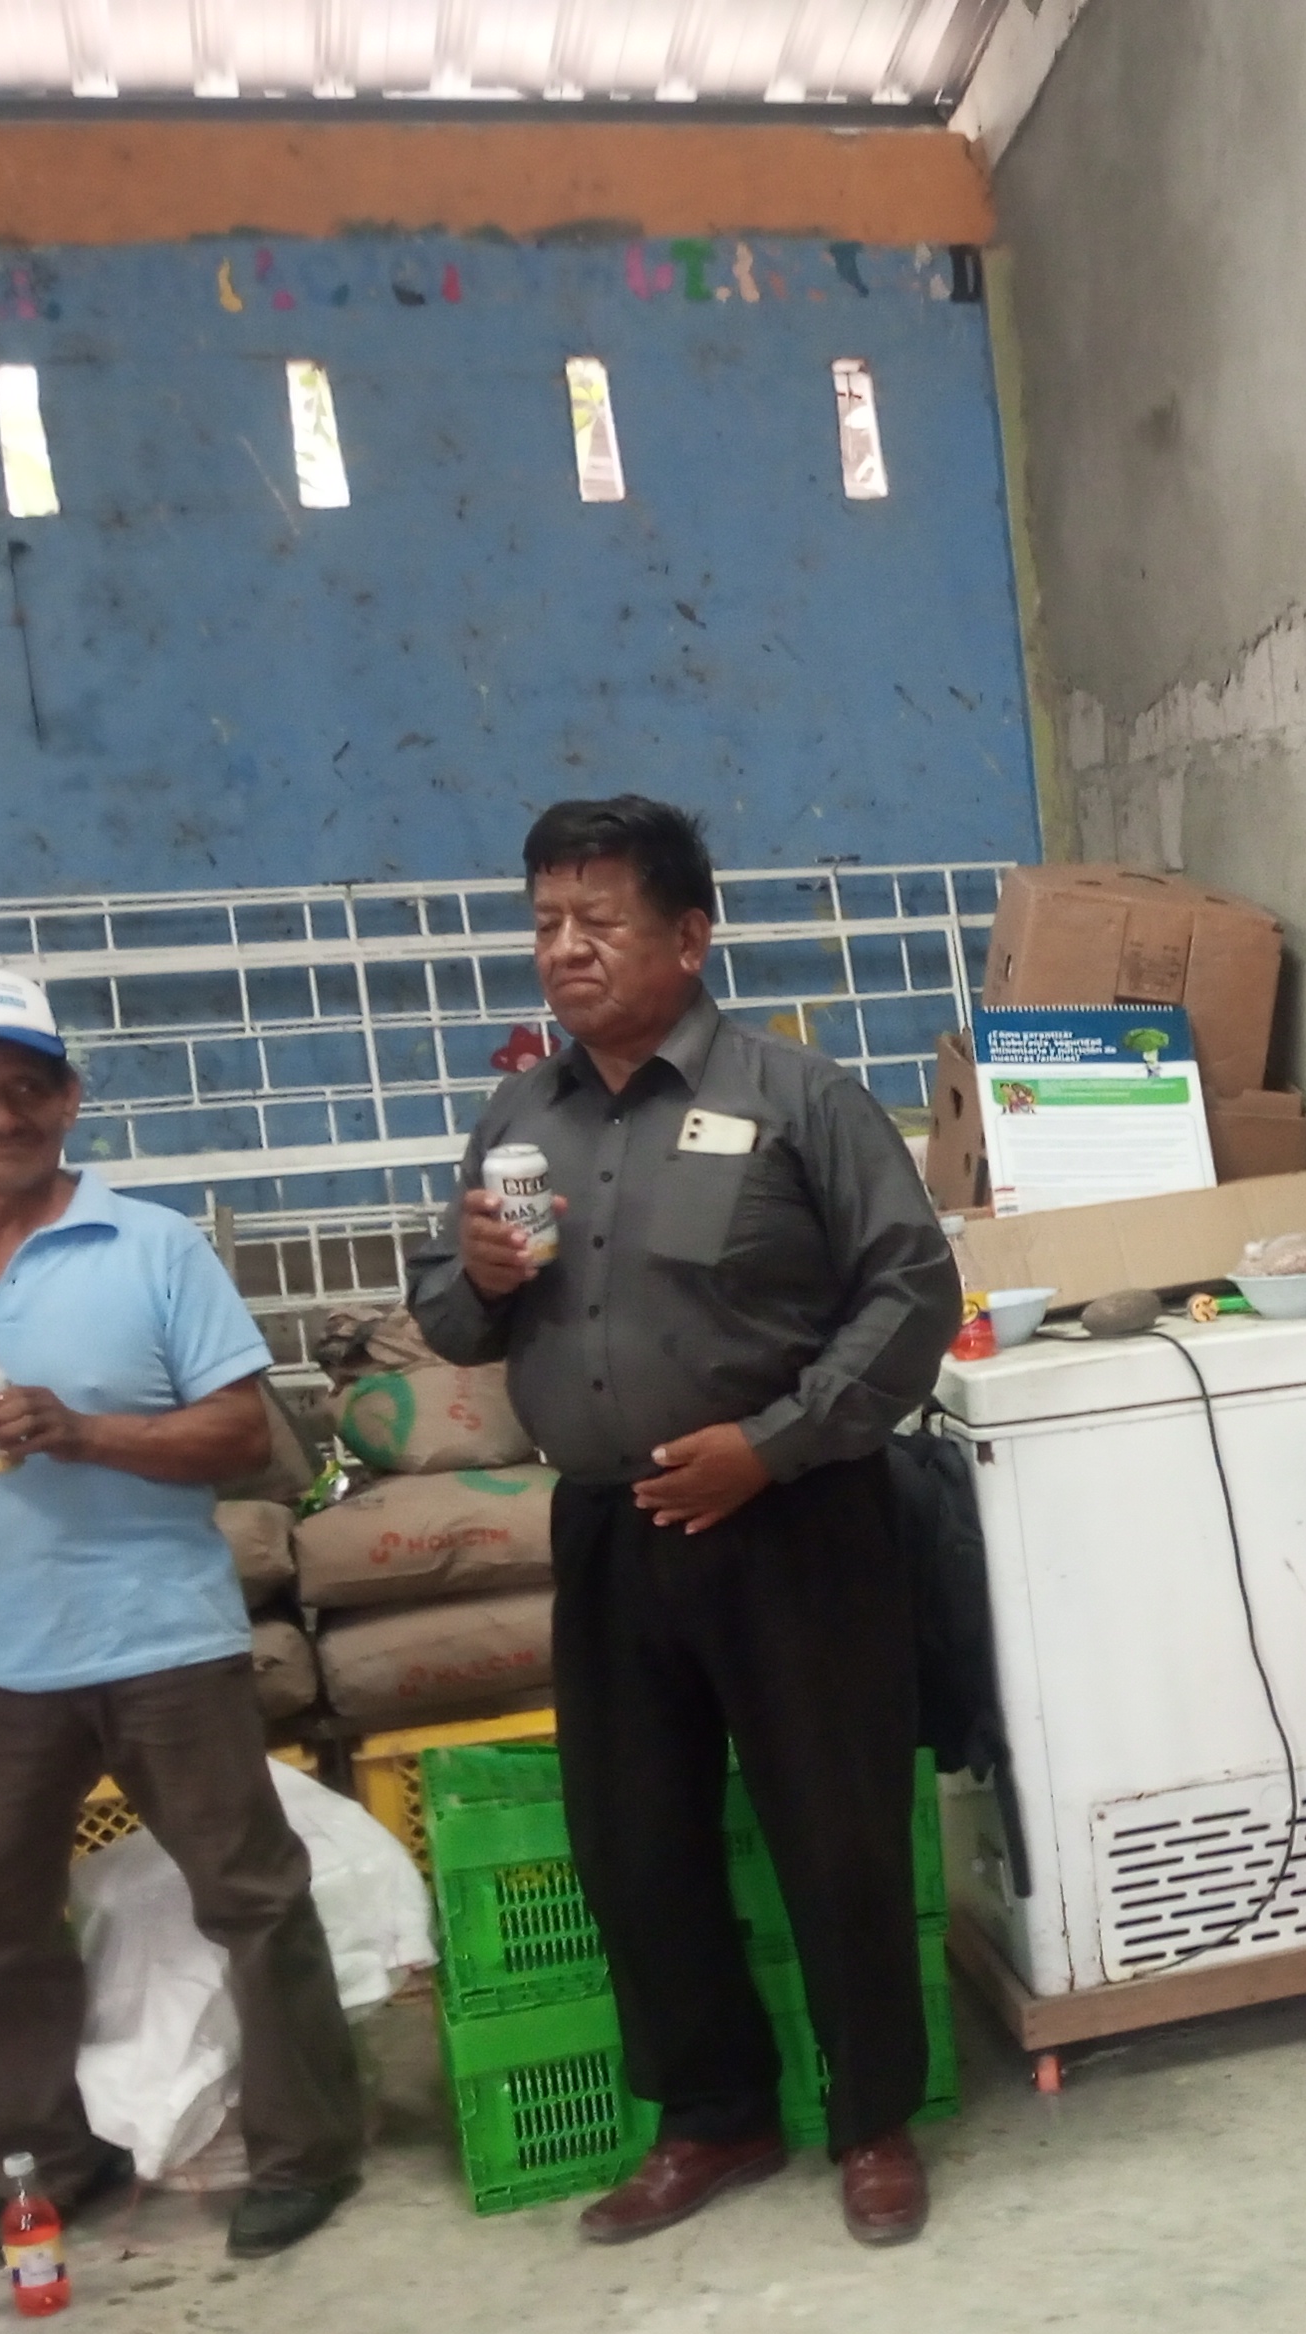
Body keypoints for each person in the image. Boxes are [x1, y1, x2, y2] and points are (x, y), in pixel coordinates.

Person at [407, 797, 960, 2251]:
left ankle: (873, 2121)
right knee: (634, 1841)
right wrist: (476, 1278)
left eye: (600, 920)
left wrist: (769, 1448)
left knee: (835, 1832)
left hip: (793, 1522)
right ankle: (715, 2117)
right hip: (611, 1529)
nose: (566, 949)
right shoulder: (520, 1118)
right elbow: (451, 1321)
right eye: (545, 923)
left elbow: (913, 1292)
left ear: (690, 935)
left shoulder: (797, 1097)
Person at [0, 969, 366, 2265]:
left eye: (25, 1088)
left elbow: (245, 1436)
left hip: (164, 1640)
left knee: (251, 1896)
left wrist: (86, 1431)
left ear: (69, 1099)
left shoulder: (154, 1245)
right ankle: (38, 2170)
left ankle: (306, 2152)